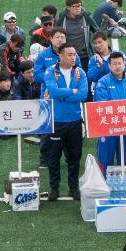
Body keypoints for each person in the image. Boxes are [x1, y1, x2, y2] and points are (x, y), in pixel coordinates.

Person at [43, 44, 88, 201]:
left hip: (75, 121)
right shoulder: (50, 71)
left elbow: (83, 95)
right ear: (60, 56)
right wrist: (72, 91)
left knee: (74, 156)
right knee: (54, 157)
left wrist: (63, 95)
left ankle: (73, 187)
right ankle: (54, 188)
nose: (73, 57)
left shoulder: (79, 72)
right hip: (56, 121)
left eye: (74, 54)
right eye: (69, 54)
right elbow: (53, 92)